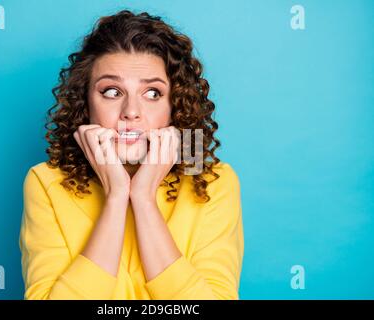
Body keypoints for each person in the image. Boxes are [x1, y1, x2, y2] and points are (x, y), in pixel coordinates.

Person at [19, 9, 244, 300]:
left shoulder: (213, 181)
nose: (131, 113)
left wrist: (143, 197)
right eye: (112, 92)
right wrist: (116, 196)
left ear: (175, 105)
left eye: (152, 93)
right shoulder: (45, 181)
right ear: (85, 104)